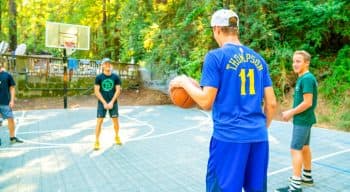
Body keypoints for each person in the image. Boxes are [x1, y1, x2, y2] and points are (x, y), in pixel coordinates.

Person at [169, 9, 277, 192]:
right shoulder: (259, 60)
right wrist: (258, 128)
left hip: (229, 138)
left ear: (217, 29)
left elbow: (205, 101)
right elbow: (272, 104)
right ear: (236, 29)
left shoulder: (216, 57)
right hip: (259, 138)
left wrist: (184, 82)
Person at [275, 50, 317, 192]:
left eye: (298, 61)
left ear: (307, 63)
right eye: (294, 61)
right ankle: (307, 177)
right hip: (304, 119)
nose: (295, 64)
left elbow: (308, 102)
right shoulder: (304, 78)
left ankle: (296, 185)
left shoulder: (306, 79)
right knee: (304, 147)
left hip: (302, 120)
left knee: (295, 149)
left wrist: (291, 113)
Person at [93, 58, 122, 150]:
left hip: (113, 102)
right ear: (102, 66)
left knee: (115, 121)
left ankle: (117, 136)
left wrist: (112, 102)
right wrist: (105, 103)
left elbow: (118, 90)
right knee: (99, 121)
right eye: (106, 64)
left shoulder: (116, 77)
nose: (108, 65)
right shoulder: (99, 77)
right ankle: (97, 141)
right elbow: (96, 91)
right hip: (102, 103)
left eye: (109, 63)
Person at [0, 64, 23, 146]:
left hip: (5, 102)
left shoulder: (7, 75)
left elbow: (12, 88)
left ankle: (12, 138)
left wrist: (12, 100)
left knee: (11, 119)